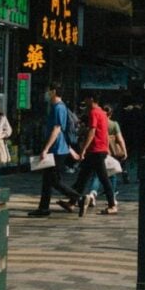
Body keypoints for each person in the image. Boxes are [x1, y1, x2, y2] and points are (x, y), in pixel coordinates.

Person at [30, 86, 85, 217]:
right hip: (59, 148)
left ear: (54, 92)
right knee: (48, 180)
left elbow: (57, 129)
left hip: (57, 150)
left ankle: (79, 198)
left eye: (49, 91)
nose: (46, 93)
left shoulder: (59, 107)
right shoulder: (57, 107)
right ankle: (43, 208)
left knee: (53, 180)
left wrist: (46, 149)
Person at [69, 94, 118, 216]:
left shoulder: (94, 113)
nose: (84, 101)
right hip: (98, 149)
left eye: (86, 98)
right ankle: (72, 201)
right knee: (83, 177)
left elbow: (92, 131)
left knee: (103, 178)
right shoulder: (102, 112)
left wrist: (83, 149)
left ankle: (112, 204)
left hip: (95, 150)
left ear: (91, 99)